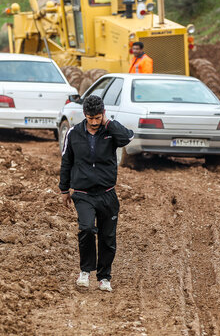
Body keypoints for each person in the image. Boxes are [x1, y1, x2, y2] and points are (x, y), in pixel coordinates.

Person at [59, 95, 134, 292]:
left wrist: (108, 123)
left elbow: (127, 137)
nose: (94, 122)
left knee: (107, 237)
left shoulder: (111, 131)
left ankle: (104, 277)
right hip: (83, 193)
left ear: (103, 114)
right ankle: (85, 271)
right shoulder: (74, 134)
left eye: (98, 118)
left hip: (107, 194)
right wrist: (64, 189)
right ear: (85, 115)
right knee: (86, 229)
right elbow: (66, 161)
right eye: (90, 118)